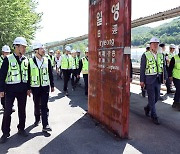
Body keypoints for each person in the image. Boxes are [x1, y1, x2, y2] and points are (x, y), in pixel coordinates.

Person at [0, 37, 29, 143]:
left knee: (22, 111)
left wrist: (28, 88)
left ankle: (21, 129)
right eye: (23, 47)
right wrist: (1, 89)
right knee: (7, 111)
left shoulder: (26, 60)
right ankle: (5, 133)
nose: (24, 49)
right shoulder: (8, 59)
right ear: (16, 47)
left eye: (25, 47)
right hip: (10, 89)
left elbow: (28, 75)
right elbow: (2, 75)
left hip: (22, 90)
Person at [140, 37, 167, 125]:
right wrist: (142, 81)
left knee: (157, 97)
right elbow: (142, 68)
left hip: (158, 79)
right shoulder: (145, 55)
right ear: (150, 45)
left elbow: (164, 67)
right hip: (149, 79)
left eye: (157, 43)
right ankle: (154, 116)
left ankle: (147, 108)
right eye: (153, 43)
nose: (155, 45)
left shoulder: (161, 55)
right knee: (151, 98)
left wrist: (165, 77)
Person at [28, 42, 54, 131]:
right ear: (36, 51)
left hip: (45, 86)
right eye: (41, 48)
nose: (43, 50)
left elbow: (50, 73)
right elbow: (28, 76)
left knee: (44, 105)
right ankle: (37, 119)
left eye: (43, 48)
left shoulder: (47, 60)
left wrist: (52, 85)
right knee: (36, 105)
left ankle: (45, 125)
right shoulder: (30, 61)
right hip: (35, 87)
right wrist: (28, 88)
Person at [169, 45, 180, 111]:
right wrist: (170, 76)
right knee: (179, 89)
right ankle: (177, 103)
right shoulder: (174, 58)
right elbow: (170, 68)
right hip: (176, 77)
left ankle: (175, 102)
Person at [0, 45, 11, 111]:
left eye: (8, 53)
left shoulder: (10, 59)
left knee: (9, 94)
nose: (7, 54)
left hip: (9, 80)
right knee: (2, 93)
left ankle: (9, 106)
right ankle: (4, 106)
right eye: (6, 53)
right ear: (2, 53)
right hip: (1, 79)